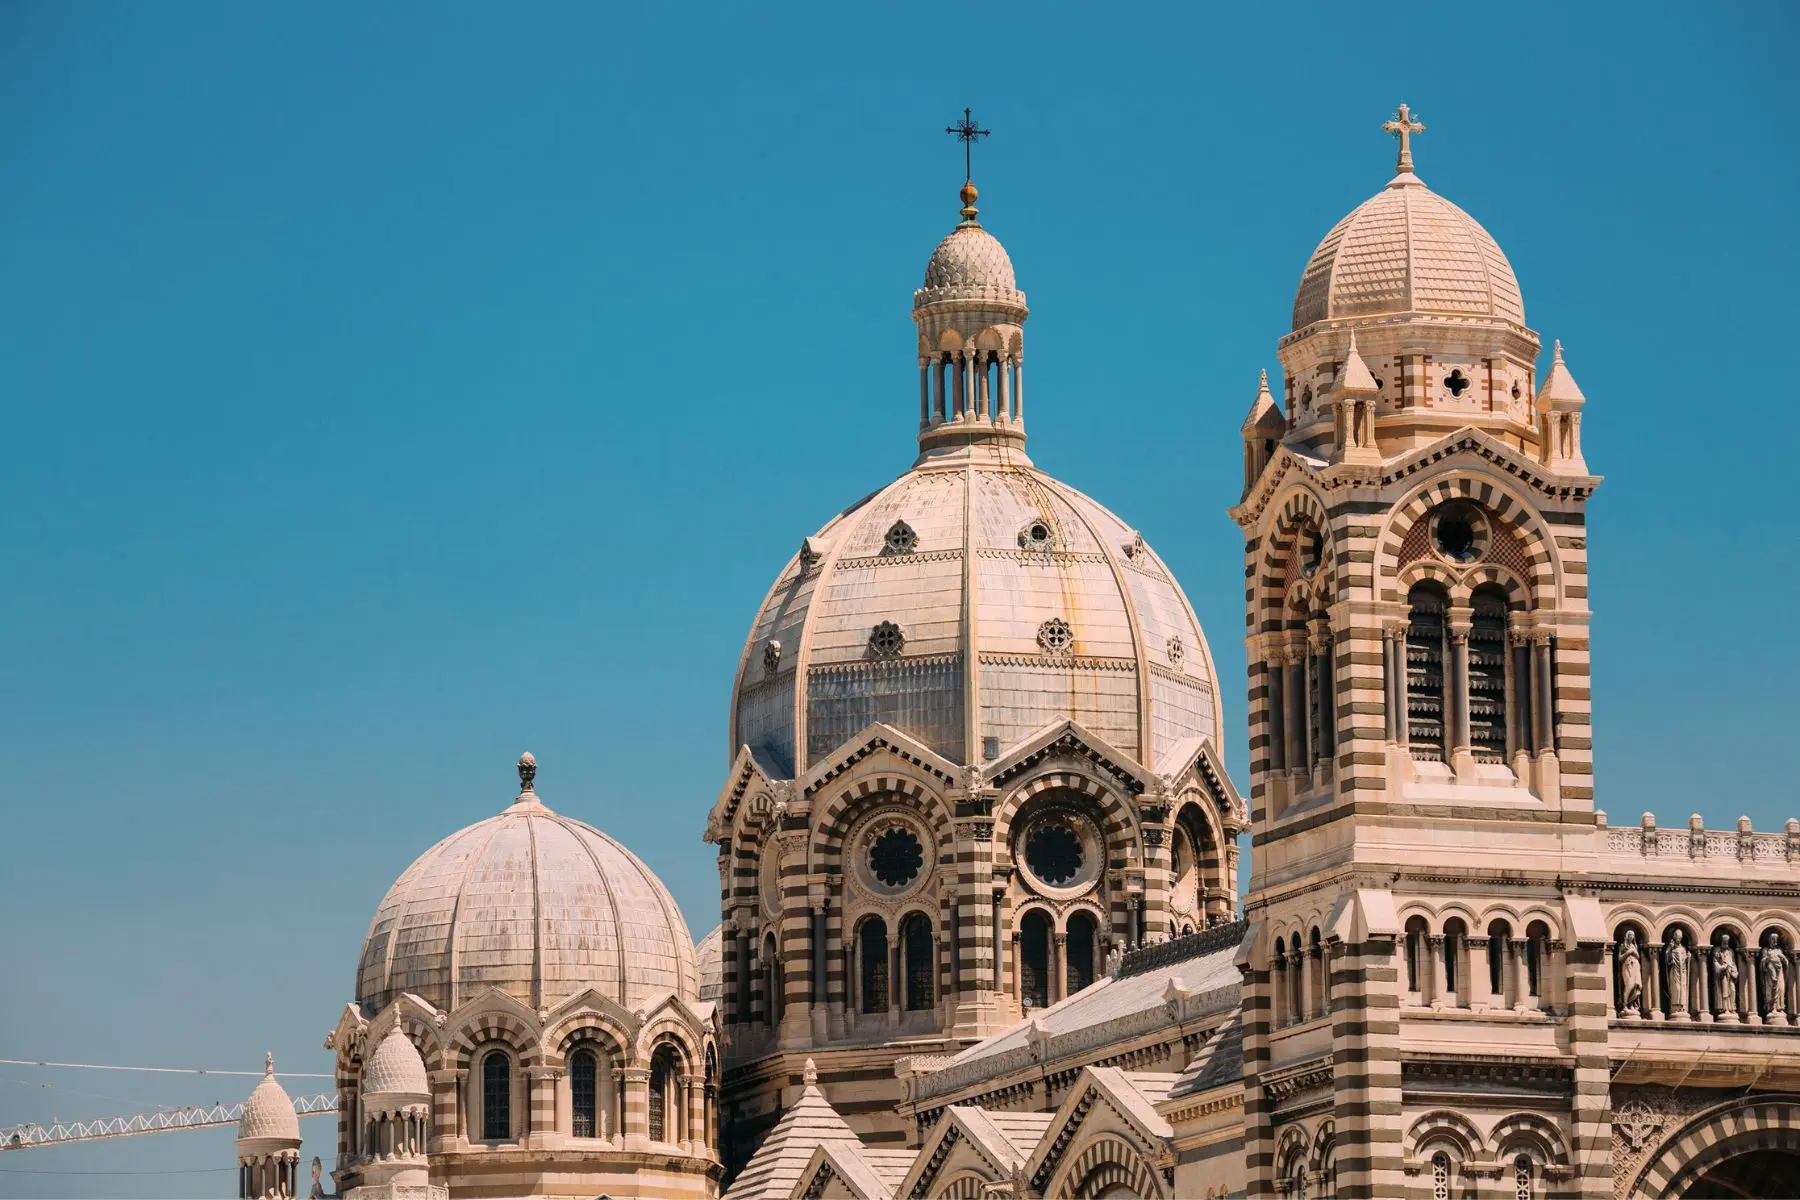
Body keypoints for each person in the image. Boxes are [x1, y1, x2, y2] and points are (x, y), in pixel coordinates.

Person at [1617, 930, 1643, 1017]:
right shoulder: (1622, 946)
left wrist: (1634, 952)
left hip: (1635, 966)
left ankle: (1631, 1005)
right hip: (1627, 966)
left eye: (1633, 935)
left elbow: (1638, 957)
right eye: (1630, 935)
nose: (1631, 936)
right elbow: (1620, 958)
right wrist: (1628, 952)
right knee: (1629, 985)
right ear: (1627, 936)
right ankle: (1625, 1005)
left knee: (1636, 985)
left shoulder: (1634, 946)